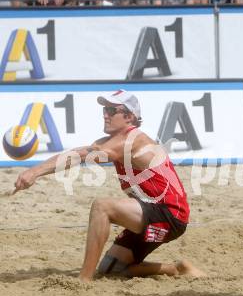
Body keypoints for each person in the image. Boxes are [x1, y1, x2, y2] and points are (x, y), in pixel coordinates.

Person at [14, 90, 205, 281]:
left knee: (102, 206)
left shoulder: (133, 140)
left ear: (129, 116)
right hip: (151, 211)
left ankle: (84, 280)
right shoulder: (113, 142)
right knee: (112, 269)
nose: (106, 114)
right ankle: (177, 269)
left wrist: (34, 172)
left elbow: (80, 157)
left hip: (168, 213)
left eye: (112, 110)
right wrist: (35, 171)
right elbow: (76, 154)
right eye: (105, 109)